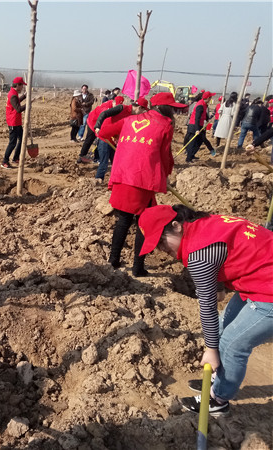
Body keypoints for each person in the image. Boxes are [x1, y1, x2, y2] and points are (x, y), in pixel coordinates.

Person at [137, 204, 273, 416]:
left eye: (161, 241)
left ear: (176, 226)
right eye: (156, 246)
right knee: (220, 328)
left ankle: (218, 399)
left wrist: (211, 350)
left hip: (268, 289)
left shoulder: (199, 254)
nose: (161, 250)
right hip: (258, 277)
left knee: (232, 344)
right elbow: (223, 252)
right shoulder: (203, 225)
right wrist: (219, 287)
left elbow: (207, 306)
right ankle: (217, 381)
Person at [106, 92, 185, 276]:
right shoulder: (165, 124)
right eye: (172, 107)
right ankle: (137, 267)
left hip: (123, 175)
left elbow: (103, 132)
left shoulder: (129, 120)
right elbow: (165, 155)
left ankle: (113, 261)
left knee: (123, 220)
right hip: (142, 179)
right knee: (144, 222)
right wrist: (165, 175)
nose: (173, 111)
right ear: (165, 108)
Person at [92, 96, 149, 184]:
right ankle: (98, 180)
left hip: (113, 139)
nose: (142, 113)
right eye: (143, 110)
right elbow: (104, 114)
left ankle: (117, 180)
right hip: (105, 137)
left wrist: (117, 137)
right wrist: (97, 126)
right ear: (139, 107)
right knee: (104, 162)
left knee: (116, 161)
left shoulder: (133, 117)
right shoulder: (121, 108)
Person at [77, 95, 124, 164]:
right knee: (90, 139)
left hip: (99, 123)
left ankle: (97, 158)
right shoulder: (107, 108)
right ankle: (82, 156)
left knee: (99, 141)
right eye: (116, 105)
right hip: (93, 122)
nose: (116, 108)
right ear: (114, 102)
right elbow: (104, 119)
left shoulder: (114, 107)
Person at [2, 76, 30, 169]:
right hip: (13, 122)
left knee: (22, 140)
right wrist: (28, 104)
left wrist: (25, 96)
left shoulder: (13, 93)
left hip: (17, 121)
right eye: (22, 86)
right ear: (17, 85)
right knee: (12, 143)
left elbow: (17, 102)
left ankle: (16, 158)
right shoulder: (13, 95)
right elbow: (18, 109)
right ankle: (5, 161)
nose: (22, 87)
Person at [185, 91, 216, 162]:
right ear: (208, 98)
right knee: (192, 143)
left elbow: (204, 114)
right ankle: (188, 159)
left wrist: (207, 119)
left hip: (199, 125)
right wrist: (197, 129)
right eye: (210, 97)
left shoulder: (204, 104)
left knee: (199, 142)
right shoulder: (200, 105)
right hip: (194, 126)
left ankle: (192, 155)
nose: (211, 99)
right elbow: (197, 118)